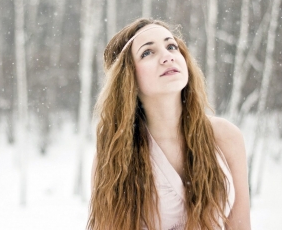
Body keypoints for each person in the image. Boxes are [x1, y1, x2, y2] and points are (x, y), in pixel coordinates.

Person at [87, 18, 251, 230]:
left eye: (171, 46)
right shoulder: (114, 155)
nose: (167, 57)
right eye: (147, 52)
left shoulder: (225, 136)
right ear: (128, 78)